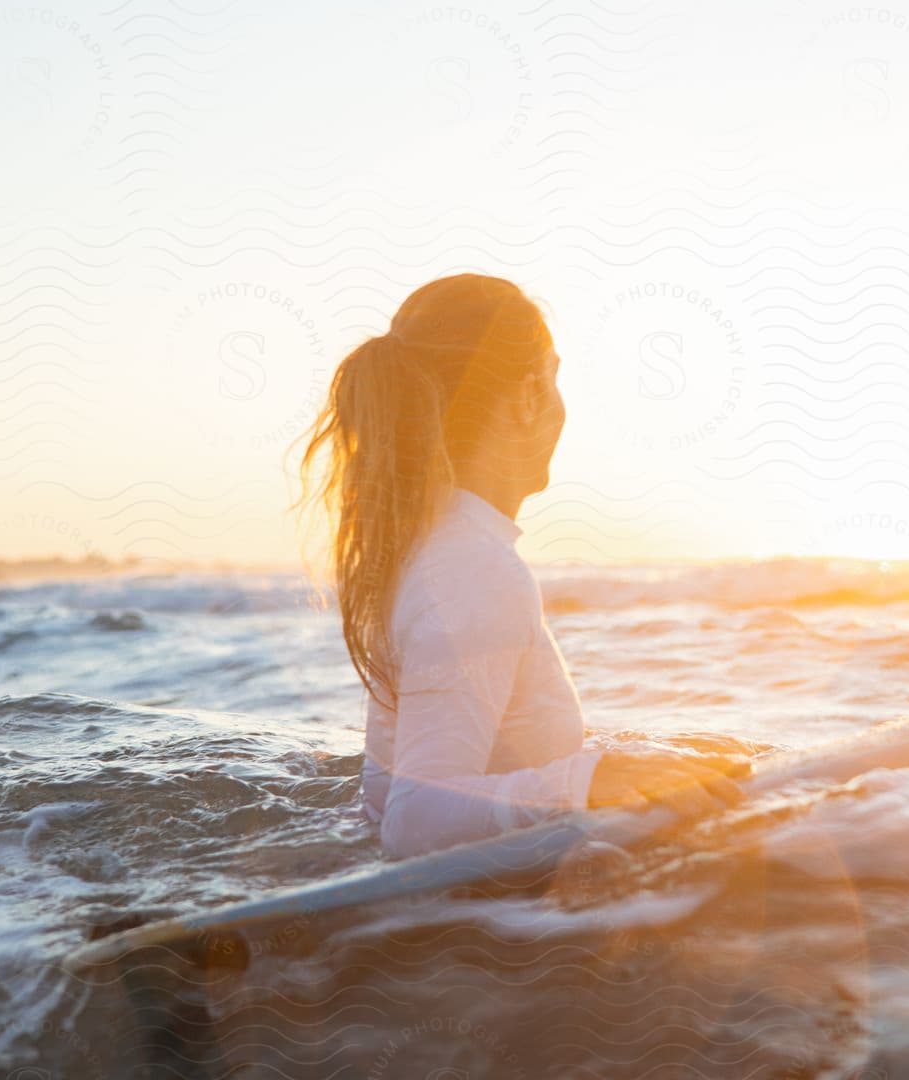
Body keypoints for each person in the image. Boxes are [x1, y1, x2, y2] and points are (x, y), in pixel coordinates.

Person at [293, 273, 751, 858]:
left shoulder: (426, 550)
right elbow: (413, 822)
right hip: (461, 933)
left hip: (435, 912)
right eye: (554, 379)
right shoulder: (473, 569)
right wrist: (589, 782)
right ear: (529, 397)